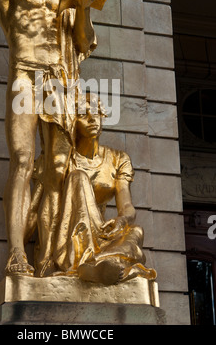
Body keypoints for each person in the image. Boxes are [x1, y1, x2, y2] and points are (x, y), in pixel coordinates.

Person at [0, 0, 110, 276]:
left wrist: (84, 6)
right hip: (25, 72)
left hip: (57, 77)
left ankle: (53, 256)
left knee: (58, 166)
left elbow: (83, 43)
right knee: (23, 160)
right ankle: (16, 255)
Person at [29, 93, 156, 284]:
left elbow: (127, 206)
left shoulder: (118, 159)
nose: (92, 119)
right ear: (72, 122)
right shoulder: (62, 160)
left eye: (96, 113)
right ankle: (89, 263)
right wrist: (20, 248)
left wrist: (121, 221)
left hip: (101, 232)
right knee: (78, 177)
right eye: (83, 114)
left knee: (136, 230)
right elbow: (38, 208)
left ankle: (99, 263)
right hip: (68, 238)